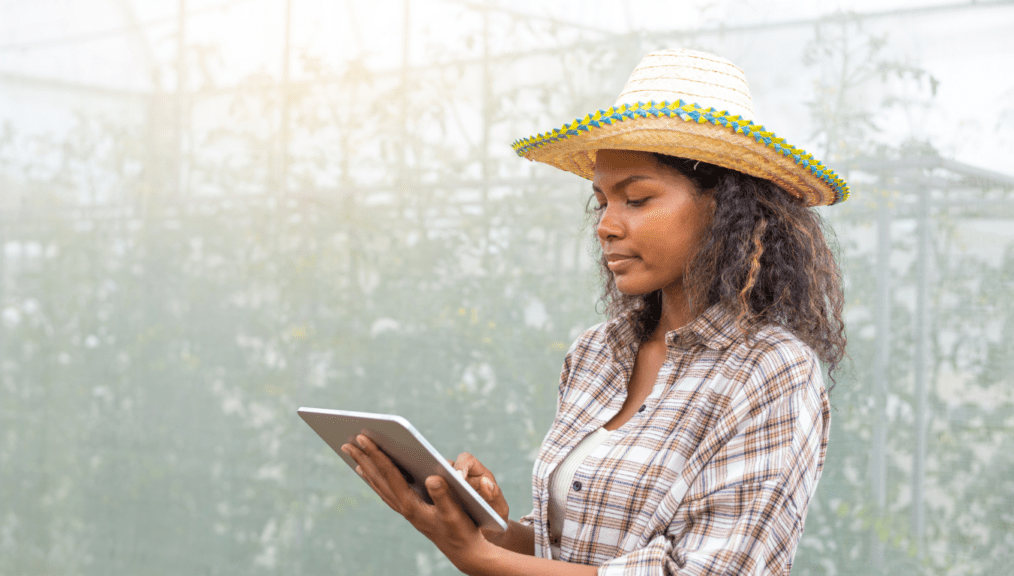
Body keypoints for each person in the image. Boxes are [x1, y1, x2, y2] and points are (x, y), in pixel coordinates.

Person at [342, 48, 847, 575]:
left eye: (636, 198)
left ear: (724, 209)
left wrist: (480, 559)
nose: (605, 224)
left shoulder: (770, 372)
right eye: (602, 200)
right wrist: (485, 524)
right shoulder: (596, 353)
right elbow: (566, 553)